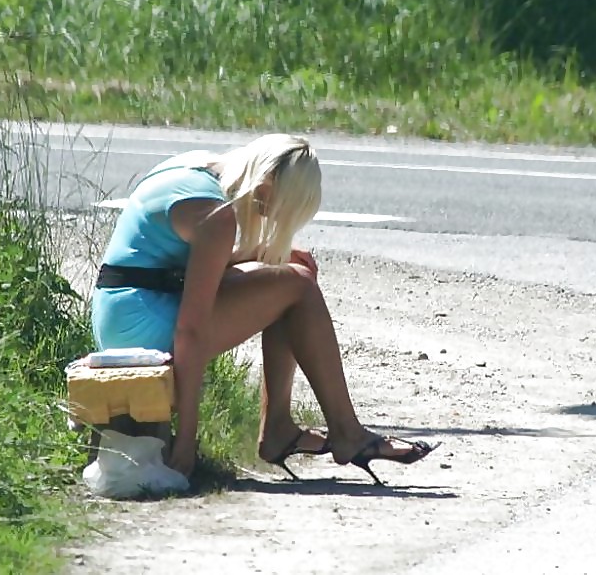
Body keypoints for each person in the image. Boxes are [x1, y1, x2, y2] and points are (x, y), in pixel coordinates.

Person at [92, 133, 435, 484]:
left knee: (291, 277)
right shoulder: (218, 216)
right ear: (267, 183)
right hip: (143, 319)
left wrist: (268, 258)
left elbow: (179, 262)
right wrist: (186, 438)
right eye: (284, 205)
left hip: (122, 308)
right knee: (298, 287)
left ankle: (282, 430)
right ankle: (344, 433)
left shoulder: (196, 167)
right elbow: (189, 330)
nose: (274, 216)